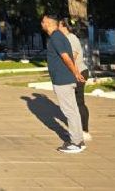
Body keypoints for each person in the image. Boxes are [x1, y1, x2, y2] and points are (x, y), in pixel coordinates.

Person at [42, 14, 86, 153]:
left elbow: (66, 57)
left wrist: (76, 73)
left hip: (63, 80)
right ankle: (78, 139)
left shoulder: (56, 38)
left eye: (43, 21)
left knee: (69, 111)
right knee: (73, 110)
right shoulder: (60, 36)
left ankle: (75, 143)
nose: (41, 24)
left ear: (48, 23)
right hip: (65, 79)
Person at [59, 19, 91, 140]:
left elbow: (72, 57)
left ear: (63, 26)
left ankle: (85, 130)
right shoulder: (65, 39)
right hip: (72, 73)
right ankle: (76, 130)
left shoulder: (71, 38)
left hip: (79, 72)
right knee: (72, 104)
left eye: (58, 26)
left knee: (79, 102)